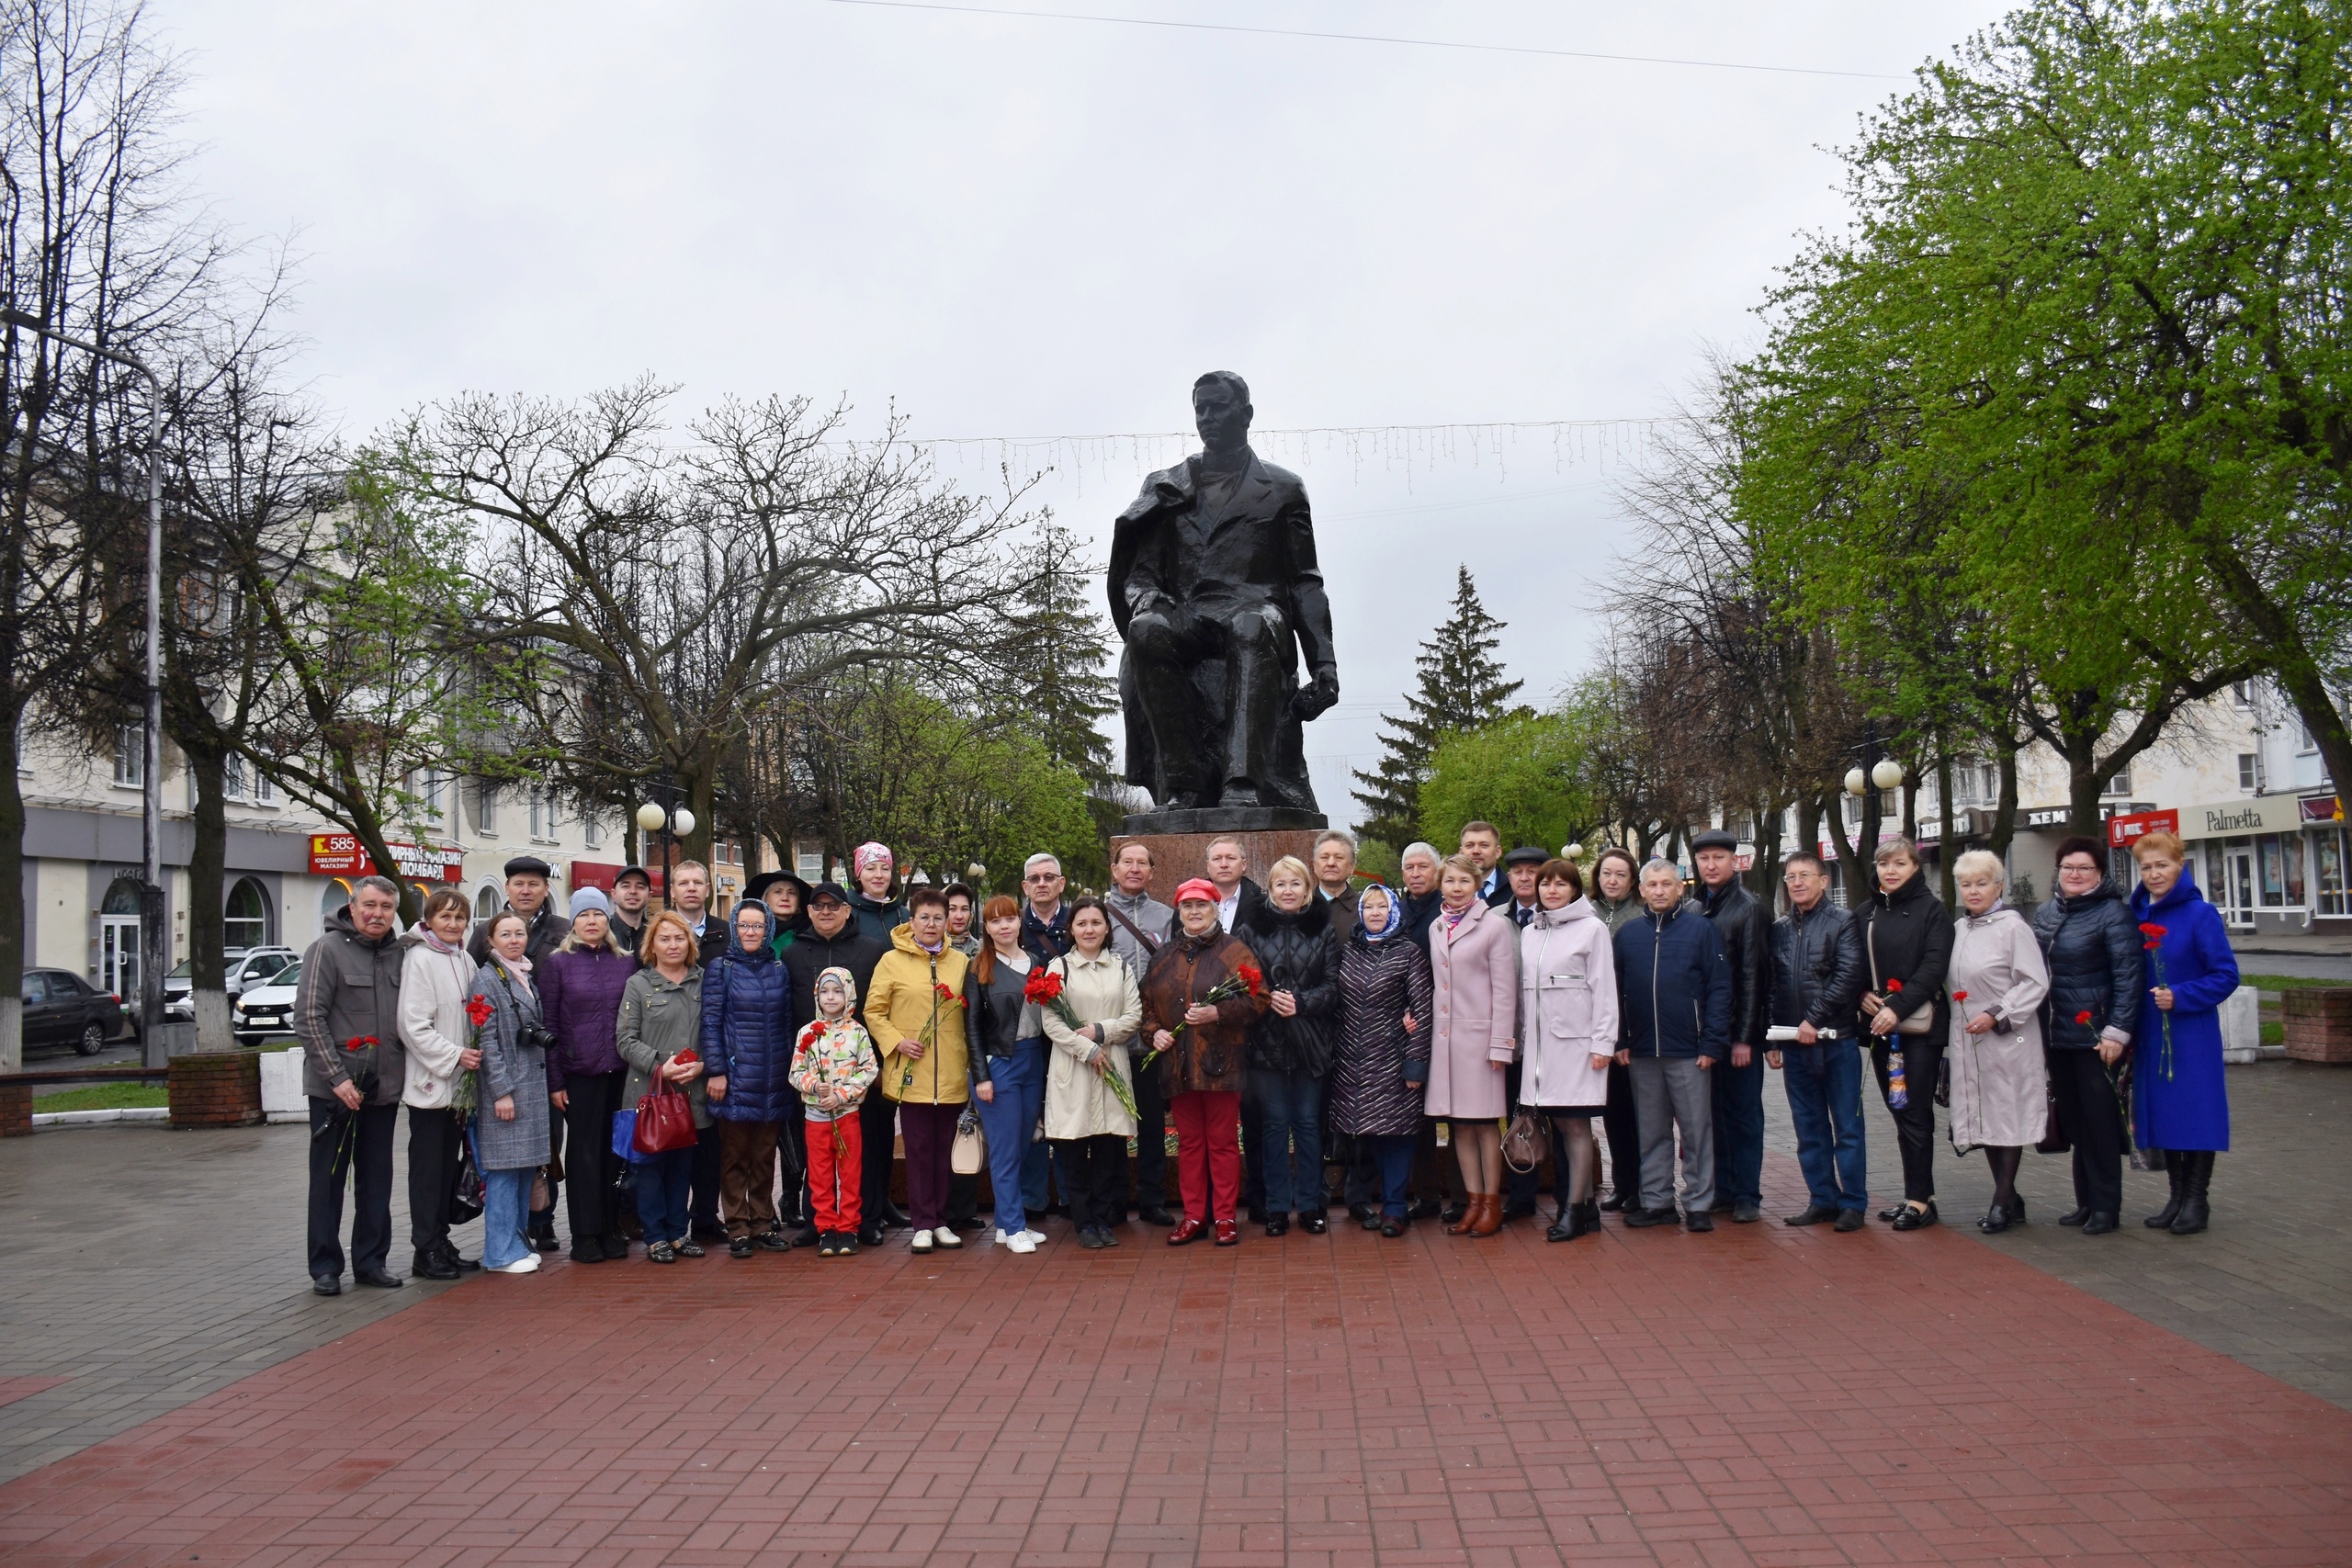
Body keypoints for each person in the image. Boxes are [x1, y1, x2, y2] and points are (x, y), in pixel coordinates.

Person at [298, 874, 410, 1294]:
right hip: (335, 1092)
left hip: (381, 1089)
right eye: (370, 905)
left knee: (376, 1179)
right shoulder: (327, 951)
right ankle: (325, 1267)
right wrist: (338, 1078)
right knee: (328, 1180)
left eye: (385, 907)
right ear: (353, 906)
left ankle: (371, 1261)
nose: (377, 914)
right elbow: (309, 1019)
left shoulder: (400, 954)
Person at [1142, 877, 1268, 1245]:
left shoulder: (1234, 951)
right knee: (1190, 1143)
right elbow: (1146, 1004)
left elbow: (1258, 997)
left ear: (1215, 909)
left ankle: (1226, 1217)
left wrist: (1217, 1012)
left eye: (1202, 906)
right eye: (1187, 906)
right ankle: (1195, 1215)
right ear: (1178, 911)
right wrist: (1154, 1033)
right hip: (1178, 1066)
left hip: (1220, 1065)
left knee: (1224, 1142)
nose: (1194, 913)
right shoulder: (1164, 954)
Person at [2030, 835, 2142, 1235]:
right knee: (2075, 1121)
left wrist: (2117, 1031)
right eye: (2068, 868)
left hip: (2096, 1038)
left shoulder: (2113, 914)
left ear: (2099, 874)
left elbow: (2129, 978)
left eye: (2084, 869)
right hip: (2056, 1036)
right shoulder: (2045, 913)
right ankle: (2085, 1202)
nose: (2074, 875)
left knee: (2099, 1124)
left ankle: (2106, 1207)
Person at [2130, 829, 2239, 1235]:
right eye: (2147, 867)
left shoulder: (2200, 914)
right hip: (2151, 1035)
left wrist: (2182, 995)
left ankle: (2197, 1199)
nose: (2155, 874)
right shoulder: (2138, 914)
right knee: (2165, 1117)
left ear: (2180, 865)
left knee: (2196, 1115)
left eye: (2163, 865)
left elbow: (2226, 975)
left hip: (2190, 1033)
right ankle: (2176, 1197)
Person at [1614, 857, 1729, 1231]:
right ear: (1642, 890)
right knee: (1652, 1131)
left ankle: (1698, 1203)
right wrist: (1621, 1039)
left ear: (1681, 888)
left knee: (1696, 1131)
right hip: (1643, 1050)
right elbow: (1614, 993)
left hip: (1690, 1051)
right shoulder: (1628, 935)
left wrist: (1711, 1043)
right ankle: (1657, 1200)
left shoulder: (1701, 930)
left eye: (1667, 884)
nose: (1660, 891)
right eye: (1652, 885)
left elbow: (1718, 988)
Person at [468, 854, 572, 1250]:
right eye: (518, 884)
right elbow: (478, 1001)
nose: (526, 890)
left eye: (534, 884)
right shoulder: (484, 934)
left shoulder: (562, 930)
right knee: (509, 1152)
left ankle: (543, 1219)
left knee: (546, 1144)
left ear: (546, 889)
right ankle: (509, 1236)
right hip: (508, 1064)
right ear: (508, 889)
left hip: (546, 1059)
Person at [1946, 849, 2052, 1234]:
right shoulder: (1958, 929)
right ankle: (2010, 1196)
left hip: (2009, 1038)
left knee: (2007, 1116)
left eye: (1982, 883)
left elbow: (2035, 981)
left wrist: (1997, 1013)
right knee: (1986, 1118)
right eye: (1966, 884)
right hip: (1969, 1041)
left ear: (1999, 886)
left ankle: (2001, 1201)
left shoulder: (2013, 928)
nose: (1973, 891)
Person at [783, 882, 895, 1246]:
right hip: (814, 1081)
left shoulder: (872, 950)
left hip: (859, 1074)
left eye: (834, 905)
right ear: (810, 912)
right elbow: (787, 1011)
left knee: (866, 1151)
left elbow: (882, 1007)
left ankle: (866, 1220)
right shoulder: (794, 953)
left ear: (848, 910)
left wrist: (877, 1065)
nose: (826, 912)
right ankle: (818, 1222)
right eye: (818, 906)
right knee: (816, 1157)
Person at [1237, 855, 1341, 1236]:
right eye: (1281, 884)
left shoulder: (1323, 930)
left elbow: (1333, 987)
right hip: (1265, 1046)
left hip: (1311, 1044)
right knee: (1275, 1127)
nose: (1288, 891)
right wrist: (1267, 1000)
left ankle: (1312, 1205)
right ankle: (1278, 1207)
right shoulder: (1250, 931)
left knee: (1310, 1126)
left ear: (1307, 889)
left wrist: (1301, 1002)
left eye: (1295, 884)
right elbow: (1243, 984)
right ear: (1270, 890)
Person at [865, 886, 973, 1253]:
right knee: (918, 1150)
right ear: (911, 921)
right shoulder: (891, 961)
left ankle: (941, 1219)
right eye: (924, 917)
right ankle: (922, 1223)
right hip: (913, 1071)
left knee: (945, 1150)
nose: (931, 924)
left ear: (948, 922)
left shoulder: (960, 962)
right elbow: (873, 1011)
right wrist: (896, 1041)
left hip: (951, 1072)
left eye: (938, 918)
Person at [1516, 859, 1615, 1243]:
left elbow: (1604, 990)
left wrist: (1603, 1044)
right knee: (1559, 1125)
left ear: (1574, 889)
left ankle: (1572, 1209)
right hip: (1542, 1052)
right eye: (1546, 884)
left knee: (1576, 1127)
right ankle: (1587, 1208)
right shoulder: (1531, 932)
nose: (1551, 891)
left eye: (1561, 884)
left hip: (1578, 1048)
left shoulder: (1592, 930)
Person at [1858, 836, 1953, 1231]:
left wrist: (1895, 1009)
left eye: (1899, 863)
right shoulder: (1865, 913)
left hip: (1916, 1029)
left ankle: (1920, 1200)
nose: (1890, 871)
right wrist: (1860, 994)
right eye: (1884, 864)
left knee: (1914, 1112)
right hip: (1881, 1031)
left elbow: (1933, 967)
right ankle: (1916, 1193)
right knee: (1899, 1111)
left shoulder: (1933, 911)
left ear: (1915, 867)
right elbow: (1852, 964)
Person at [539, 887, 639, 1264]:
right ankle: (585, 1233)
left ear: (608, 919)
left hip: (620, 1074)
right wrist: (555, 1082)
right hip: (578, 1075)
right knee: (583, 1157)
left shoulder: (625, 962)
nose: (591, 922)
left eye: (598, 914)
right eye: (583, 915)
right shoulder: (558, 964)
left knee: (615, 1156)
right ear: (574, 922)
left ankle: (611, 1228)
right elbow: (549, 1025)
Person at [1769, 852, 1869, 1231]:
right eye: (1790, 876)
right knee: (1808, 1128)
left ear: (1824, 881)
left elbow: (1848, 977)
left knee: (1847, 1127)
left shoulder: (1843, 922)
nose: (1797, 882)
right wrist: (1773, 1040)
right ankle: (1822, 1199)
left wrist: (1813, 1019)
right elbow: (1774, 987)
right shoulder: (1778, 928)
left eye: (1805, 875)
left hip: (1835, 1041)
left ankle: (1854, 1204)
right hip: (1794, 1045)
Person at [1422, 852, 1519, 1236]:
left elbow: (1505, 990)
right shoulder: (1435, 926)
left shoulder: (1493, 926)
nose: (1457, 888)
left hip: (1480, 1042)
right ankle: (1472, 1201)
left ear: (1477, 885)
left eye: (1464, 881)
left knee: (1483, 1124)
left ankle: (1491, 1202)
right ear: (1440, 885)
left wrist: (1500, 1045)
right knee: (1460, 1125)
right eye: (1450, 881)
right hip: (1445, 1042)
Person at [1040, 898, 1146, 1248]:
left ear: (1106, 928)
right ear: (1071, 929)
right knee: (1073, 1147)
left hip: (1111, 1063)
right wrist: (1087, 1049)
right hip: (1073, 1067)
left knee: (1105, 1148)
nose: (1089, 930)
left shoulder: (1121, 968)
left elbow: (1134, 1016)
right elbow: (1051, 1021)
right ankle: (1083, 1221)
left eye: (1096, 923)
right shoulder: (1059, 968)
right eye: (1082, 923)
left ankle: (1103, 1217)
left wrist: (1100, 1031)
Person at [1330, 884, 1433, 1235]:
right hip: (1352, 1061)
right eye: (1369, 907)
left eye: (1383, 907)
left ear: (1394, 911)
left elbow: (1423, 1012)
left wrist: (1416, 1065)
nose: (1376, 913)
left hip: (1392, 1061)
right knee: (1371, 1135)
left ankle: (1395, 1209)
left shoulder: (1409, 953)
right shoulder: (1349, 952)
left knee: (1397, 1137)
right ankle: (1366, 1202)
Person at [700, 900, 797, 1258]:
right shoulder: (720, 968)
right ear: (734, 929)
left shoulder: (778, 968)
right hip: (736, 1078)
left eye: (758, 926)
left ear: (768, 928)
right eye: (744, 926)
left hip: (773, 1078)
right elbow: (709, 1023)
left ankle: (763, 1222)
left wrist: (791, 1071)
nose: (751, 932)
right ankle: (738, 1226)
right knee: (734, 1157)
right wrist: (717, 1069)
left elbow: (787, 1023)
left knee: (764, 1157)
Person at [398, 887, 485, 1280]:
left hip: (461, 1086)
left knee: (449, 1168)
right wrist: (454, 1056)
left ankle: (441, 1240)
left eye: (460, 917)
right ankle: (425, 1247)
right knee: (429, 1171)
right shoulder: (419, 959)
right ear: (429, 920)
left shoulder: (463, 958)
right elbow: (412, 1025)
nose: (453, 924)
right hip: (433, 1085)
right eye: (445, 916)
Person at [615, 911, 709, 1264]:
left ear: (690, 943)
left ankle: (677, 1233)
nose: (673, 945)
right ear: (651, 946)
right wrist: (659, 1064)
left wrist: (704, 1065)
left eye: (679, 938)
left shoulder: (705, 981)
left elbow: (715, 1030)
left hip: (691, 1092)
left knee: (683, 1168)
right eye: (664, 939)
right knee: (651, 1168)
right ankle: (655, 1237)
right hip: (651, 1094)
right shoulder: (639, 985)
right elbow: (624, 1039)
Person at [1689, 829, 1771, 1224]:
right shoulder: (1694, 907)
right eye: (1704, 859)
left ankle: (1746, 1194)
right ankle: (1721, 1188)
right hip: (1705, 1034)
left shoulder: (1749, 907)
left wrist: (1744, 1038)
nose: (1711, 865)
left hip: (1736, 1034)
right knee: (1712, 1114)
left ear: (1734, 862)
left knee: (1743, 1115)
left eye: (1719, 858)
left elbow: (1755, 976)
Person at [469, 910, 550, 1275]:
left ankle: (516, 1244)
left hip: (529, 1086)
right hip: (507, 1089)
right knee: (503, 1173)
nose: (515, 940)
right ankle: (499, 1253)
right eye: (506, 934)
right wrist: (501, 1090)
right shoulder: (487, 980)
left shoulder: (522, 974)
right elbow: (484, 1039)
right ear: (491, 941)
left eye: (520, 933)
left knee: (522, 1169)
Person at [967, 894, 1047, 1250]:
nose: (1004, 926)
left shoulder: (1036, 962)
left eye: (1010, 919)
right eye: (995, 921)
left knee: (1023, 1145)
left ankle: (1005, 1223)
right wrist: (981, 1075)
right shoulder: (978, 967)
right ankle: (1015, 1227)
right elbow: (970, 1028)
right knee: (1004, 1149)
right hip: (998, 1063)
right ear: (986, 928)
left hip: (1033, 1061)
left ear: (1019, 921)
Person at [1103, 841, 1177, 1224]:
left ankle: (1152, 1198)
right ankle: (1116, 1199)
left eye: (1142, 863)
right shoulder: (1097, 916)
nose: (1134, 869)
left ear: (1151, 871)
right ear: (1114, 869)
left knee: (1151, 1121)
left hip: (1152, 1039)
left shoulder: (1166, 917)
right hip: (1112, 1038)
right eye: (1126, 862)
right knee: (1114, 1122)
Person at [788, 966, 880, 1256]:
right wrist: (815, 1087)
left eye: (837, 991)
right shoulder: (807, 1031)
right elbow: (795, 1071)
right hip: (816, 1118)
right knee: (819, 1174)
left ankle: (849, 1227)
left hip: (847, 1115)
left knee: (850, 1172)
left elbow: (869, 1070)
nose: (831, 997)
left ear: (848, 994)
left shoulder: (857, 1032)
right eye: (825, 991)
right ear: (817, 995)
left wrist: (841, 1095)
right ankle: (826, 1227)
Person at [666, 858, 727, 1245]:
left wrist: (714, 1061)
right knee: (670, 1145)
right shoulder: (662, 930)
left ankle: (705, 1217)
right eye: (682, 882)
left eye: (697, 882)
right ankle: (667, 1224)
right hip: (667, 1053)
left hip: (711, 1052)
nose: (690, 888)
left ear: (707, 889)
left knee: (709, 1146)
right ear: (672, 891)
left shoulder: (725, 932)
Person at [1494, 844, 1555, 1222]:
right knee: (1518, 1118)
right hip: (1512, 1039)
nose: (1524, 878)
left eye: (1533, 871)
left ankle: (1570, 1195)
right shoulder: (1495, 919)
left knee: (1561, 1121)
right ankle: (1521, 1195)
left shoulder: (1559, 918)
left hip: (1554, 1040)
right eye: (1517, 872)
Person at [1588, 848, 1645, 1213]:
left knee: (1638, 1113)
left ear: (1632, 880)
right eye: (1606, 873)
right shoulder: (1587, 913)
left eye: (1620, 875)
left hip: (1632, 1027)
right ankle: (1622, 1185)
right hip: (1595, 1027)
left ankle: (1642, 1186)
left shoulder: (1639, 914)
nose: (1612, 880)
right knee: (1611, 1112)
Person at [846, 842, 906, 943]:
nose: (879, 875)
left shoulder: (903, 914)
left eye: (885, 869)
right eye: (871, 869)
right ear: (858, 875)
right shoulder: (846, 915)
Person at [1020, 852, 1073, 960]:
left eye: (1048, 877)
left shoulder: (1076, 920)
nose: (1041, 884)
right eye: (1034, 879)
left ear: (1061, 884)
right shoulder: (1014, 923)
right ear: (1025, 887)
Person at [1313, 829, 1361, 940]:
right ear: (1314, 865)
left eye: (1339, 858)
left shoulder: (1366, 908)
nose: (1331, 863)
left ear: (1352, 867)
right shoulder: (1301, 907)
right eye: (1324, 857)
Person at [1396, 842, 1444, 950]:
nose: (1415, 874)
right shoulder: (1394, 913)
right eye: (1409, 867)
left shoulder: (1449, 911)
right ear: (1403, 875)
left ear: (1437, 871)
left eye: (1423, 867)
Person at [1458, 820, 1509, 908]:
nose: (1476, 851)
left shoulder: (1512, 889)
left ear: (1497, 852)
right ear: (1461, 852)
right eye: (1470, 846)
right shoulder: (1447, 891)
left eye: (1484, 845)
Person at [608, 865, 653, 955]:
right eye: (625, 886)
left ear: (649, 896)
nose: (633, 891)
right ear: (614, 894)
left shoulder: (656, 933)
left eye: (640, 887)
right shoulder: (604, 932)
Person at [1500, 847, 1547, 928]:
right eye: (1518, 872)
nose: (1524, 878)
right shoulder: (1495, 917)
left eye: (1531, 871)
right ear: (1509, 878)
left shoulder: (1555, 917)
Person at [943, 883, 981, 957]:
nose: (959, 916)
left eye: (964, 909)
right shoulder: (931, 951)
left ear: (971, 913)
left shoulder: (983, 950)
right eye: (952, 909)